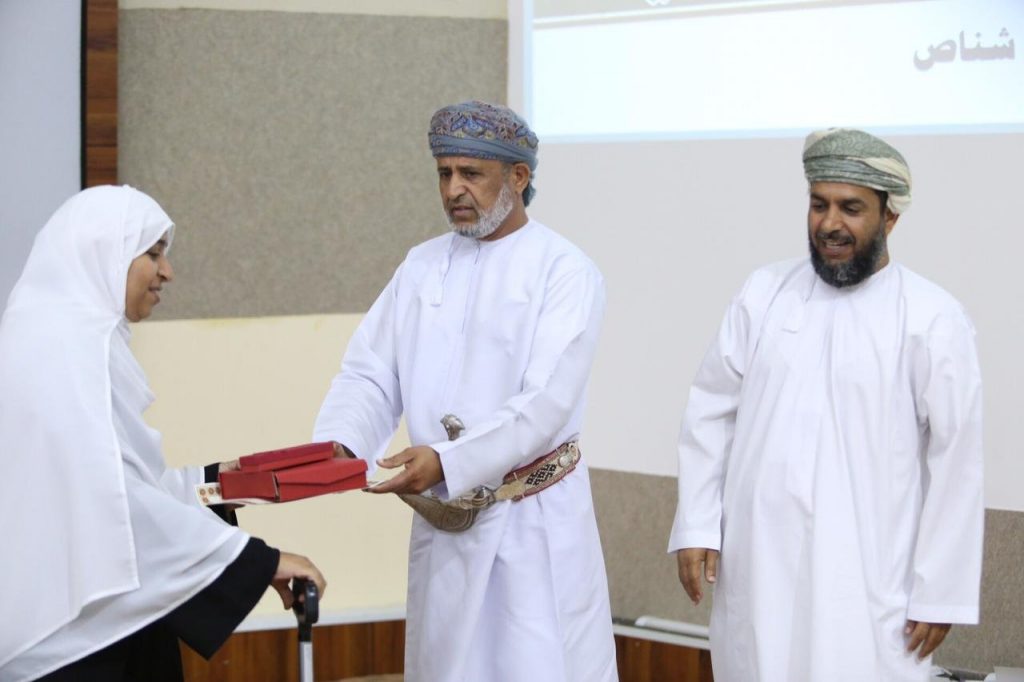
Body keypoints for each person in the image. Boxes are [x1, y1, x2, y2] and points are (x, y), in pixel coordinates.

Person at [313, 101, 617, 682]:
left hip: (532, 525)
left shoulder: (565, 271)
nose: (454, 189)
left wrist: (448, 460)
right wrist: (341, 446)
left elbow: (545, 403)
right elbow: (370, 372)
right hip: (445, 524)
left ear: (519, 177)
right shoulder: (421, 265)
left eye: (471, 173)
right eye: (444, 173)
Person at [668, 128, 984, 682]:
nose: (830, 223)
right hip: (759, 566)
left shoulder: (932, 317)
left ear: (890, 218)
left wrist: (941, 591)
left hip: (866, 578)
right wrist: (697, 523)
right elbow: (710, 410)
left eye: (851, 208)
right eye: (819, 204)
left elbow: (957, 459)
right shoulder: (764, 293)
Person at [0, 185, 327, 682]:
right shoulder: (71, 352)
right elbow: (114, 504)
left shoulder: (46, 335)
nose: (167, 271)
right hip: (73, 644)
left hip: (82, 623)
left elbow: (123, 484)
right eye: (152, 253)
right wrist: (261, 563)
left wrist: (215, 481)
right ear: (104, 253)